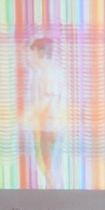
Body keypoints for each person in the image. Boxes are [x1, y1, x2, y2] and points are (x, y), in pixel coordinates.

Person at [24, 37, 67, 189]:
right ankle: (51, 188)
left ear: (39, 52)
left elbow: (49, 100)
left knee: (46, 163)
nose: (30, 57)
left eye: (32, 52)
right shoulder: (49, 71)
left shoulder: (48, 72)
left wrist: (30, 117)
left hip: (47, 125)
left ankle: (52, 189)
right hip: (49, 124)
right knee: (47, 164)